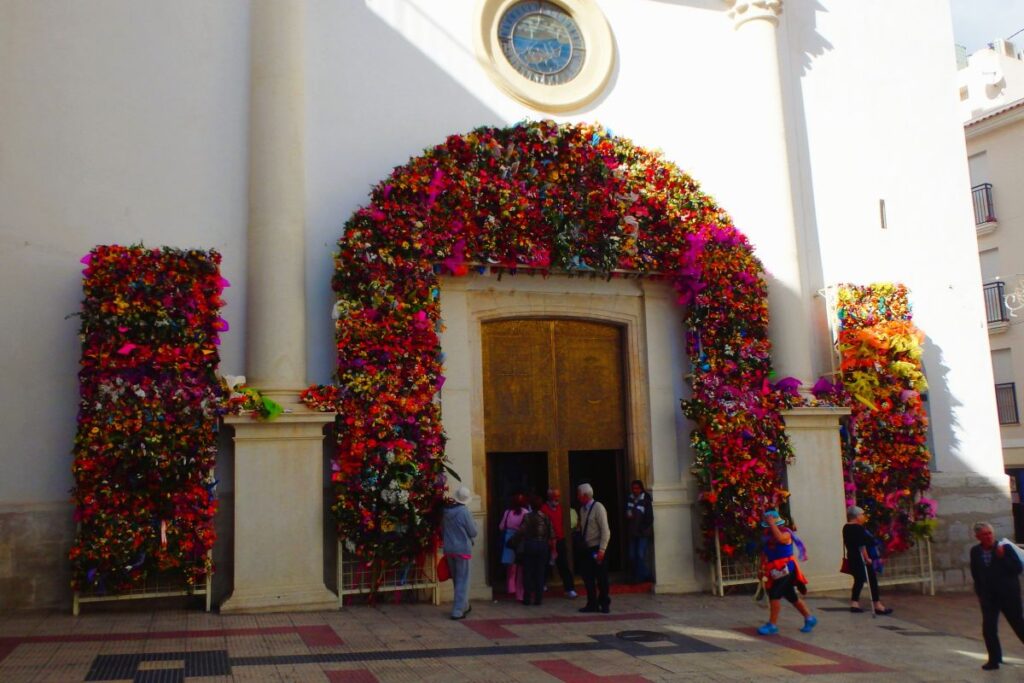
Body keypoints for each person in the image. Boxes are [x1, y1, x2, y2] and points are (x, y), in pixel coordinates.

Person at [970, 521, 1024, 671]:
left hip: (1008, 595)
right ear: (978, 537)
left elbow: (1017, 569)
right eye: (984, 535)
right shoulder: (975, 551)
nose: (988, 537)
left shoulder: (1005, 548)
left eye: (990, 533)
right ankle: (994, 659)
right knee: (989, 628)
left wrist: (1002, 558)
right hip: (989, 596)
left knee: (1019, 625)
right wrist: (980, 593)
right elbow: (976, 573)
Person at [756, 509, 817, 636]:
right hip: (774, 570)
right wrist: (761, 569)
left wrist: (772, 524)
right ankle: (809, 618)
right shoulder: (767, 536)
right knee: (791, 596)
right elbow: (764, 553)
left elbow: (780, 539)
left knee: (774, 594)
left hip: (787, 568)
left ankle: (772, 625)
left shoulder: (786, 534)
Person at [842, 506, 892, 615]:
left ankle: (854, 603)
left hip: (852, 557)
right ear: (856, 516)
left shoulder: (846, 527)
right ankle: (877, 605)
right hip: (861, 558)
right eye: (862, 514)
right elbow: (862, 545)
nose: (863, 516)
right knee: (872, 580)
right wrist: (867, 558)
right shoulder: (858, 528)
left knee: (858, 580)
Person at [442, 486, 477, 620]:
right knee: (463, 579)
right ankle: (457, 610)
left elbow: (443, 529)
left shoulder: (445, 512)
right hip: (462, 549)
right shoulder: (464, 512)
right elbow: (473, 532)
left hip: (449, 549)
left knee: (457, 579)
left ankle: (464, 605)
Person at [576, 483, 611, 614]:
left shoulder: (598, 508)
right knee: (588, 577)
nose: (577, 497)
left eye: (579, 494)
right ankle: (592, 603)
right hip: (587, 548)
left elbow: (605, 530)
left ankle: (604, 602)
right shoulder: (582, 509)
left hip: (597, 547)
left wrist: (602, 550)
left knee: (601, 578)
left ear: (585, 495)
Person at [540, 488, 577, 598]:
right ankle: (541, 584)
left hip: (560, 540)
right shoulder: (544, 509)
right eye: (555, 496)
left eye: (558, 496)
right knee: (545, 564)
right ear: (550, 497)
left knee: (563, 565)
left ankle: (569, 588)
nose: (557, 498)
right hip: (547, 541)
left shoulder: (560, 508)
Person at [519, 494, 553, 605]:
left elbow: (522, 530)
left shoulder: (527, 517)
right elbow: (551, 533)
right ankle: (538, 598)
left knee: (528, 572)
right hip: (542, 545)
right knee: (540, 572)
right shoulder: (545, 517)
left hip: (530, 545)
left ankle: (527, 598)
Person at [498, 493, 528, 601]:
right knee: (521, 567)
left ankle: (511, 588)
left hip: (509, 540)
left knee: (511, 567)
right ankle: (520, 593)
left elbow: (501, 527)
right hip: (521, 540)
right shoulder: (525, 513)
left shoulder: (507, 512)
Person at [625, 480, 654, 583]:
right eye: (633, 488)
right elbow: (627, 512)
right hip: (633, 532)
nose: (635, 490)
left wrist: (642, 528)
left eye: (637, 488)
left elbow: (649, 517)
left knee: (641, 554)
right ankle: (639, 575)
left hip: (642, 533)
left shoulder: (646, 499)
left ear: (641, 489)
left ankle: (642, 576)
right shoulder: (630, 499)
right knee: (632, 555)